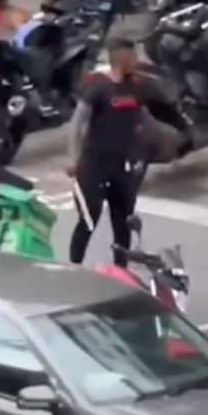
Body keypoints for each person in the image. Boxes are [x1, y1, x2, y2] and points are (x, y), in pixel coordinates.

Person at [67, 37, 150, 267]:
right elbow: (77, 125)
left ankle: (120, 272)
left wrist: (141, 155)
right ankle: (74, 269)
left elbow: (140, 123)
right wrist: (73, 159)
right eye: (132, 56)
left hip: (122, 166)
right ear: (120, 58)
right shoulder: (98, 86)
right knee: (89, 220)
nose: (136, 60)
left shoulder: (136, 86)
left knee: (123, 223)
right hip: (94, 165)